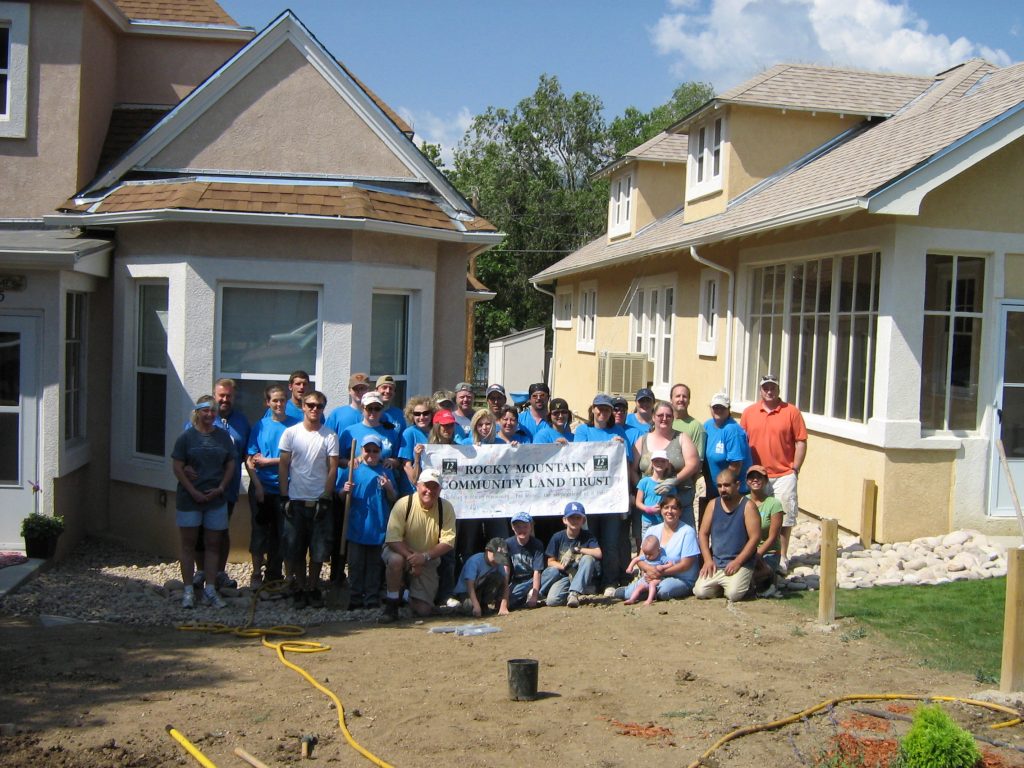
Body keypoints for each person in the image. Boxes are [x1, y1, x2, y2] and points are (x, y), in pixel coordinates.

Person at [172, 397, 236, 609]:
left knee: (213, 544)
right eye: (205, 411)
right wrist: (193, 491)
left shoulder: (223, 437)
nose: (209, 415)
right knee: (189, 544)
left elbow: (230, 465)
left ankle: (210, 588)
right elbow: (178, 467)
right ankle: (189, 589)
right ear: (197, 412)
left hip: (215, 499)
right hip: (190, 499)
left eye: (213, 411)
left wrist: (220, 488)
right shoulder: (186, 437)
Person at [278, 391, 340, 609]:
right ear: (303, 406)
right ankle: (300, 586)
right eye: (311, 405)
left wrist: (326, 495)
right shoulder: (290, 433)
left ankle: (313, 587)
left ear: (324, 409)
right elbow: (284, 465)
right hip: (295, 498)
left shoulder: (329, 436)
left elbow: (332, 468)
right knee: (295, 548)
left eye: (319, 406)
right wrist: (284, 495)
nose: (315, 409)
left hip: (319, 500)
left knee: (318, 549)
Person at [740, 373, 808, 572]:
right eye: (765, 388)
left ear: (778, 389)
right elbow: (742, 441)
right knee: (754, 515)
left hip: (784, 473)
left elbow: (801, 440)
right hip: (757, 474)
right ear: (760, 390)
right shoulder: (749, 412)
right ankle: (756, 552)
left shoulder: (791, 412)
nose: (769, 391)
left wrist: (795, 467)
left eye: (773, 387)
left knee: (784, 516)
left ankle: (782, 556)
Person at [574, 394, 634, 593]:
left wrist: (618, 446)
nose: (603, 412)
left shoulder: (617, 432)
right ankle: (592, 579)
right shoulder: (583, 430)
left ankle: (610, 581)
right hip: (589, 498)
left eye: (607, 409)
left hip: (611, 498)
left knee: (610, 541)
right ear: (592, 409)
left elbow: (626, 463)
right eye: (599, 408)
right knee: (591, 540)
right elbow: (579, 456)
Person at [380, 469, 456, 622]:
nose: (429, 490)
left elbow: (448, 542)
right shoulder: (403, 504)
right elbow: (392, 539)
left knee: (424, 611)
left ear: (440, 489)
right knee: (396, 561)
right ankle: (392, 604)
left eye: (434, 487)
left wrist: (424, 557)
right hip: (401, 552)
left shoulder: (446, 507)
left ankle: (406, 593)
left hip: (427, 559)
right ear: (417, 485)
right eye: (426, 486)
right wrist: (412, 558)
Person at [245, 384, 297, 588]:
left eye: (282, 400)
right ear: (268, 403)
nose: (279, 404)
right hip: (262, 487)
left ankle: (282, 575)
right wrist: (257, 485)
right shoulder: (260, 426)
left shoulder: (295, 426)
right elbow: (250, 459)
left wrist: (270, 462)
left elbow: (296, 457)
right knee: (260, 532)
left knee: (284, 534)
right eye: (274, 400)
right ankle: (257, 573)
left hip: (287, 488)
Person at [337, 433, 398, 609]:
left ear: (380, 452)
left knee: (374, 565)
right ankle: (355, 596)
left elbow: (393, 498)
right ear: (361, 450)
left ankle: (371, 597)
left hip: (378, 527)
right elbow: (340, 496)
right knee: (355, 564)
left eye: (375, 451)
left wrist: (388, 487)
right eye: (368, 450)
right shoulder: (352, 470)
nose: (371, 454)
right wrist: (344, 490)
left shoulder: (385, 471)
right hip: (356, 527)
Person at [693, 469, 761, 602]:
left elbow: (755, 538)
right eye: (719, 486)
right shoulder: (713, 504)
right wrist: (707, 560)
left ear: (737, 485)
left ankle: (755, 578)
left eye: (727, 485)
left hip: (741, 563)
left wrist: (738, 561)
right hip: (717, 562)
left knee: (733, 595)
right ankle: (724, 584)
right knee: (700, 592)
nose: (723, 489)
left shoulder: (748, 506)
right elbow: (703, 533)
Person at [619, 494, 701, 602]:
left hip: (681, 578)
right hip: (654, 576)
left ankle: (645, 593)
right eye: (666, 507)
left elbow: (686, 565)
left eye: (674, 508)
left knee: (664, 590)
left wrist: (660, 573)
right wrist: (650, 570)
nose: (669, 511)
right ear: (661, 510)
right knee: (629, 594)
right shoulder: (652, 530)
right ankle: (633, 592)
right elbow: (641, 558)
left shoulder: (687, 531)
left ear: (680, 511)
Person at [633, 401, 701, 526]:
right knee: (648, 545)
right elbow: (632, 469)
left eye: (668, 416)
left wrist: (675, 480)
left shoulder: (682, 438)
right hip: (650, 509)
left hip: (679, 504)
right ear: (653, 417)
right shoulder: (642, 440)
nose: (664, 418)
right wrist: (644, 488)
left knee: (681, 542)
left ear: (673, 417)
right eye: (660, 415)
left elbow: (693, 464)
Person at [540, 502, 602, 608]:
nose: (575, 521)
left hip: (579, 575)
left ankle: (574, 593)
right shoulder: (557, 537)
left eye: (578, 518)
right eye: (571, 518)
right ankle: (541, 594)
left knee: (588, 558)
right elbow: (550, 562)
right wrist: (566, 568)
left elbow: (598, 553)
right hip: (564, 576)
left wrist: (576, 549)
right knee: (552, 601)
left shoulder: (588, 536)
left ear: (583, 520)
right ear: (564, 520)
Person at [745, 464, 784, 597]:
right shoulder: (743, 501)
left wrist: (757, 555)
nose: (755, 480)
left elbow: (773, 537)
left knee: (746, 577)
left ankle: (770, 575)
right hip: (748, 551)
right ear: (747, 481)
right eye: (751, 477)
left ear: (766, 481)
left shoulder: (774, 504)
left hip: (768, 553)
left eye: (759, 477)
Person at [703, 393, 752, 498]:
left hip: (732, 491)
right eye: (715, 407)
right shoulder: (707, 425)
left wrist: (724, 488)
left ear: (729, 409)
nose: (718, 410)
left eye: (722, 407)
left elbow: (736, 465)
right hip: (714, 489)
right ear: (710, 408)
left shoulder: (732, 430)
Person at [671, 383, 706, 526]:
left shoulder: (695, 426)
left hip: (685, 487)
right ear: (671, 399)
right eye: (677, 396)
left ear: (689, 400)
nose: (681, 399)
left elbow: (698, 462)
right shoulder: (664, 421)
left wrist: (677, 479)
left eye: (684, 396)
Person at [454, 537, 510, 617]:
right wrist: (476, 605)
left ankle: (484, 604)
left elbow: (505, 584)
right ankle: (456, 607)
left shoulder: (499, 563)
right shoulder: (474, 561)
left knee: (498, 577)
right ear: (488, 551)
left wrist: (504, 605)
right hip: (466, 593)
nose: (497, 561)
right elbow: (470, 586)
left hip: (481, 589)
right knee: (469, 608)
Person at [505, 511, 544, 610]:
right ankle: (528, 596)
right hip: (517, 581)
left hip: (533, 578)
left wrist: (534, 595)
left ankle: (534, 593)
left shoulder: (537, 544)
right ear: (513, 528)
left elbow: (537, 572)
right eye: (518, 526)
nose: (522, 529)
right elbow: (506, 571)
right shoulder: (507, 543)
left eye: (525, 526)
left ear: (531, 527)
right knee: (509, 602)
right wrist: (504, 600)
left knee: (550, 574)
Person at [634, 449, 674, 540]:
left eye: (663, 461)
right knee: (647, 546)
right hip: (648, 521)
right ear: (652, 463)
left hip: (664, 521)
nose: (659, 463)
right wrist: (648, 509)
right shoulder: (644, 482)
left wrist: (665, 508)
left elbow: (674, 501)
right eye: (656, 461)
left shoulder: (669, 484)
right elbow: (638, 502)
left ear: (667, 464)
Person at [623, 535, 670, 606]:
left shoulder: (661, 557)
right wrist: (630, 567)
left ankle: (649, 600)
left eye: (650, 554)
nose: (647, 556)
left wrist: (663, 566)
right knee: (639, 587)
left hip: (657, 579)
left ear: (658, 550)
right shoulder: (646, 556)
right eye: (645, 554)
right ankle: (632, 599)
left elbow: (671, 564)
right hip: (645, 579)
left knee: (652, 585)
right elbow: (636, 559)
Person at [398, 395, 433, 489]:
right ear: (412, 416)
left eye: (426, 413)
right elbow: (406, 465)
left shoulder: (435, 432)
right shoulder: (409, 433)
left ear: (431, 414)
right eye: (417, 414)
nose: (422, 417)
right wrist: (419, 486)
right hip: (413, 489)